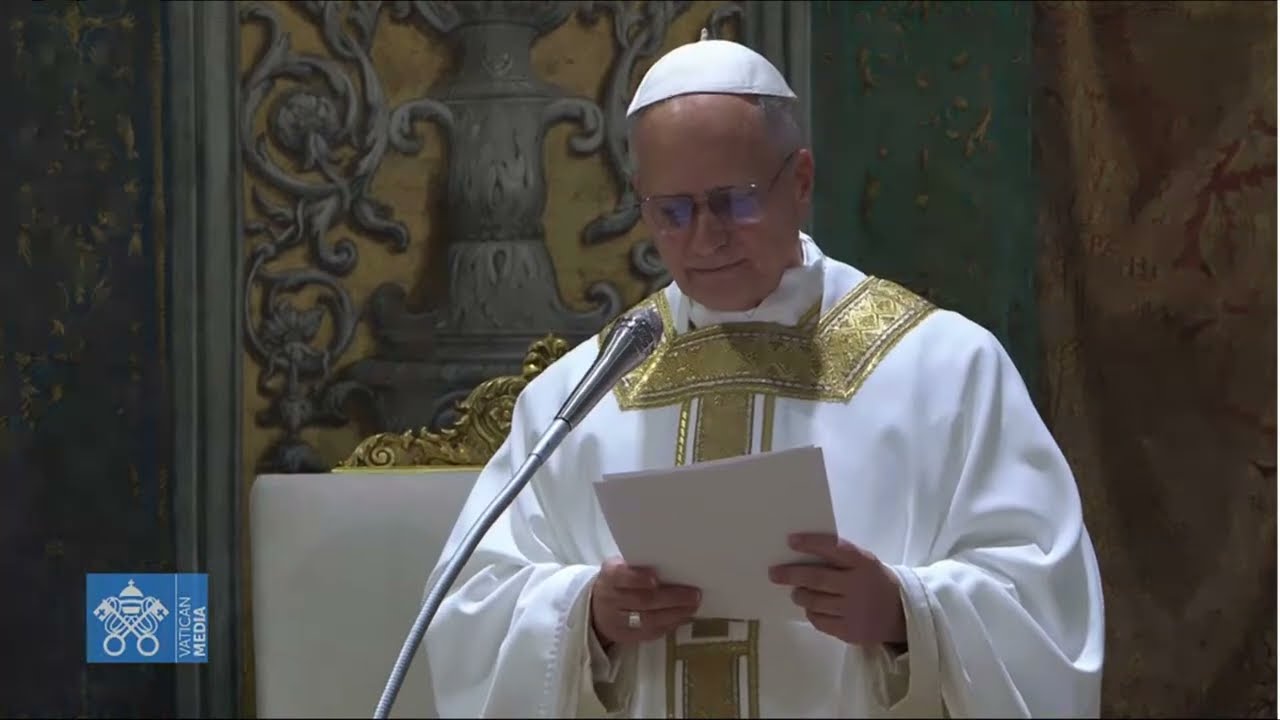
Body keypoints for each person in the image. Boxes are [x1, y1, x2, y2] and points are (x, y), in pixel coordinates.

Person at [423, 35, 1105, 719]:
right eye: (673, 212)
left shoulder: (945, 369)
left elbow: (1046, 603)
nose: (705, 238)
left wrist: (904, 615)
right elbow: (472, 609)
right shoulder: (582, 396)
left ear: (801, 180)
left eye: (735, 202)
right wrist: (589, 616)